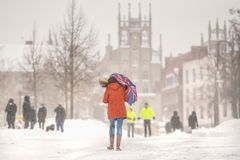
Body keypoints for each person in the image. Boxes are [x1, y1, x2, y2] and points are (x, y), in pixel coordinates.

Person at [102, 76, 128, 151]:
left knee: (112, 127)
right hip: (120, 111)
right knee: (119, 127)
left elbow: (104, 100)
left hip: (112, 111)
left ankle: (111, 145)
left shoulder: (108, 88)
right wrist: (125, 90)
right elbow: (126, 99)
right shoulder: (122, 88)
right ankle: (118, 146)